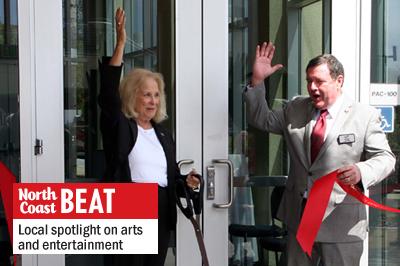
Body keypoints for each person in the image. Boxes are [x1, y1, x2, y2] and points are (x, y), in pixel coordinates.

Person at [244, 41, 396, 266]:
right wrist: (257, 82)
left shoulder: (364, 116)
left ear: (339, 81)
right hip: (300, 220)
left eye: (319, 81)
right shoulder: (296, 109)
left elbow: (386, 158)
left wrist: (360, 171)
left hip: (341, 224)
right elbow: (261, 119)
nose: (312, 87)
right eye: (309, 81)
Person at [98, 8, 200, 266]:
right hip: (129, 208)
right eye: (146, 94)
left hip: (161, 210)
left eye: (156, 95)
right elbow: (109, 96)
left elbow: (169, 178)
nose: (153, 100)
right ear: (133, 96)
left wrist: (184, 181)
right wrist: (121, 44)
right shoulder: (122, 126)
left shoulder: (163, 134)